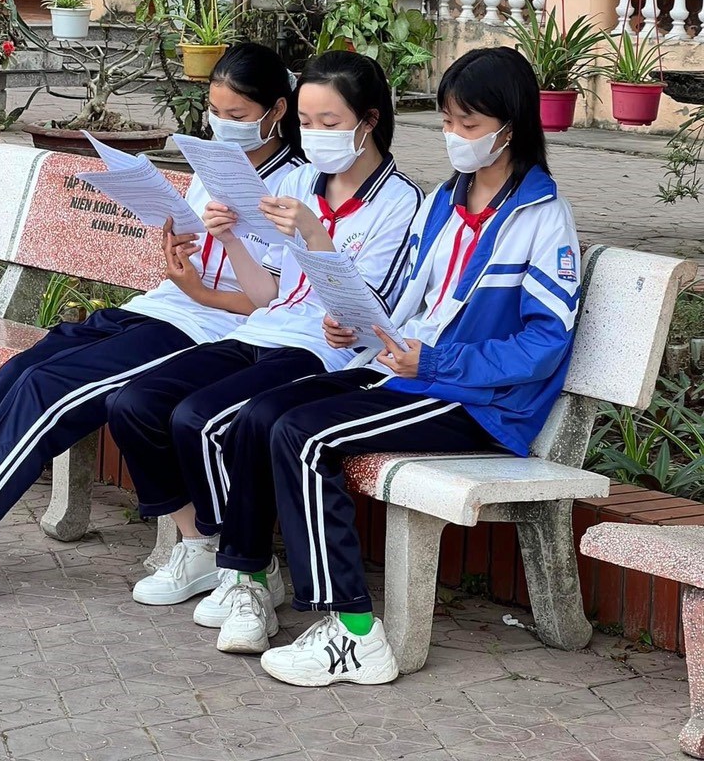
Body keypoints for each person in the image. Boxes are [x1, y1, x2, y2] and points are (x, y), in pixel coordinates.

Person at [0, 42, 304, 605]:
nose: (223, 126)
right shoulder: (211, 169)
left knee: (48, 390)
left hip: (208, 334)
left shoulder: (295, 187)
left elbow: (277, 302)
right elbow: (188, 256)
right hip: (158, 308)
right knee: (20, 370)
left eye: (237, 116)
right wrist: (176, 254)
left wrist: (200, 285)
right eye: (216, 112)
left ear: (276, 110)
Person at [204, 46, 581, 686]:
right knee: (263, 413)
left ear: (510, 127)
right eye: (447, 121)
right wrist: (356, 323)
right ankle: (247, 580)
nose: (454, 136)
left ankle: (353, 633)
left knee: (304, 438)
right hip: (409, 370)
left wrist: (435, 359)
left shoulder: (542, 218)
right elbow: (405, 298)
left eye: (468, 124)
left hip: (479, 403)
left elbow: (544, 343)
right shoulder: (445, 201)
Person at [107, 50, 422, 616]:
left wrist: (315, 233)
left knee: (200, 418)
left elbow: (368, 316)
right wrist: (229, 239)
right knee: (134, 403)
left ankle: (245, 570)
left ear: (369, 121)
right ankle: (208, 547)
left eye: (330, 122)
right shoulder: (299, 180)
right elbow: (267, 294)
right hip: (265, 328)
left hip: (320, 351)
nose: (315, 134)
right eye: (306, 122)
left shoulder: (401, 202)